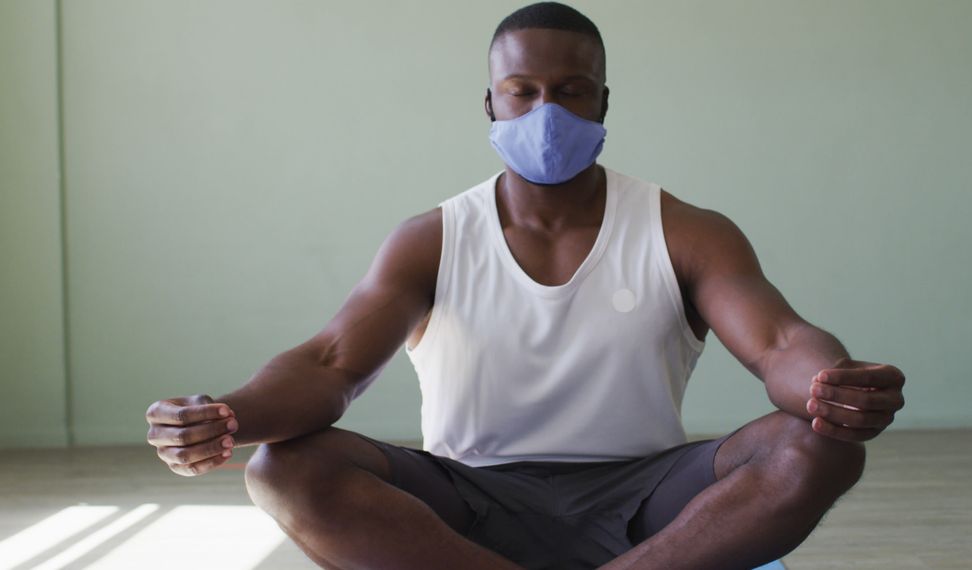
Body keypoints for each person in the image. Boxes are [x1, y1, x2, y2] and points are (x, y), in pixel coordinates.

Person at [145, 3, 905, 569]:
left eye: (573, 90)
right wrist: (225, 415)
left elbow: (779, 345)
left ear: (603, 101)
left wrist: (832, 384)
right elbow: (329, 367)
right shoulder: (432, 238)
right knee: (283, 467)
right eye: (523, 90)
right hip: (468, 500)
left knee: (819, 447)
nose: (549, 111)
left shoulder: (685, 229)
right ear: (491, 104)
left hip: (644, 498)